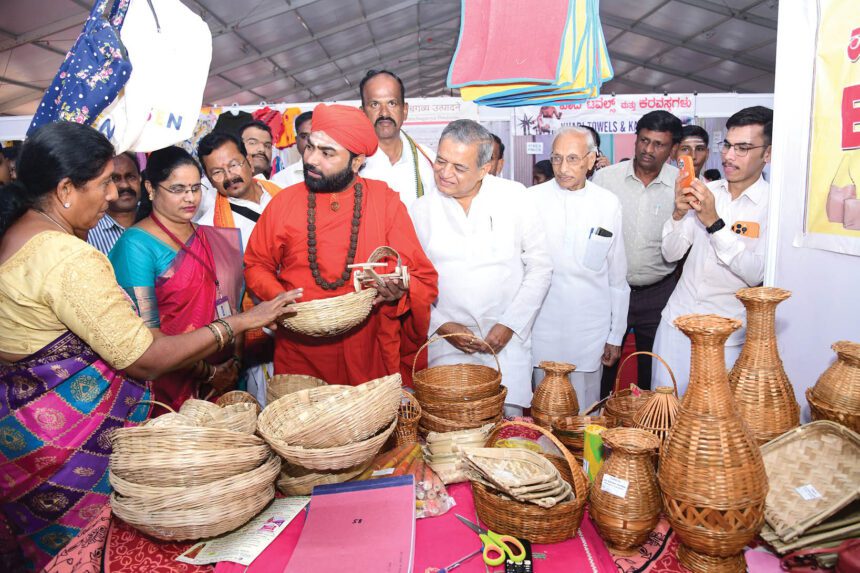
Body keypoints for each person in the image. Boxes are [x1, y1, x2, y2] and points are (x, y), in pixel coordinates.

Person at [0, 122, 297, 571]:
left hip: (27, 430)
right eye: (102, 184)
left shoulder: (20, 234)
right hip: (69, 448)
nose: (111, 196)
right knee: (95, 554)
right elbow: (146, 358)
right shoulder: (66, 257)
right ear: (65, 189)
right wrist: (242, 322)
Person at [244, 103, 438, 386]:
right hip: (300, 353)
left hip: (368, 353)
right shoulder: (284, 202)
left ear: (357, 162)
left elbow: (422, 278)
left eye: (327, 153)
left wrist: (400, 291)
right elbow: (256, 264)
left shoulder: (384, 202)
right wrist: (286, 303)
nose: (311, 159)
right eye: (310, 147)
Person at [410, 120, 552, 415]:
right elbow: (412, 281)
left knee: (506, 433)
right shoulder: (420, 210)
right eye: (440, 161)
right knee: (450, 432)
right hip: (447, 345)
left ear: (485, 169)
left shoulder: (515, 197)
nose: (445, 173)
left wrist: (509, 325)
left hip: (506, 342)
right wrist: (443, 326)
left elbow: (540, 267)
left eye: (459, 168)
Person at [109, 147, 245, 411]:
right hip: (169, 388)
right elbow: (146, 338)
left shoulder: (213, 237)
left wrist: (235, 364)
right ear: (150, 188)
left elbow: (234, 306)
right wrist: (209, 373)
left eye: (196, 188)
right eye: (178, 189)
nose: (190, 197)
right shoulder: (136, 246)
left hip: (227, 381)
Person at [653, 106, 773, 395]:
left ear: (767, 154)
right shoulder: (709, 191)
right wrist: (679, 215)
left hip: (726, 338)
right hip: (676, 326)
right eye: (728, 145)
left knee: (711, 427)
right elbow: (670, 254)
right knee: (660, 416)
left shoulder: (772, 206)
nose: (730, 156)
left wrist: (714, 223)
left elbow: (756, 275)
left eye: (743, 148)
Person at [530, 128, 629, 409]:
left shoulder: (607, 203)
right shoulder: (531, 200)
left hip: (590, 329)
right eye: (556, 158)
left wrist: (615, 334)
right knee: (546, 408)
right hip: (543, 326)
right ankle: (546, 455)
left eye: (573, 159)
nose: (563, 168)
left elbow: (618, 277)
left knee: (587, 414)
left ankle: (590, 456)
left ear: (591, 159)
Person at [592, 110, 682, 395]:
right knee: (605, 366)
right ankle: (599, 422)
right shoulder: (606, 179)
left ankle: (644, 432)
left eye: (658, 144)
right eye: (644, 140)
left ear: (672, 149)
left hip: (657, 293)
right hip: (609, 291)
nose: (648, 149)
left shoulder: (681, 185)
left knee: (651, 370)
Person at [359, 69, 437, 207]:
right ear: (362, 113)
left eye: (392, 103)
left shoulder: (429, 161)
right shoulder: (348, 164)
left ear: (405, 111)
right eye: (375, 104)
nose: (384, 113)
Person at [86, 152, 142, 254]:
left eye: (131, 177)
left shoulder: (155, 219)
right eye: (115, 179)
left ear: (140, 179)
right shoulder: (89, 230)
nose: (125, 185)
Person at [270, 110, 312, 189]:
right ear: (296, 140)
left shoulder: (335, 173)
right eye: (304, 136)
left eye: (315, 135)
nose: (310, 142)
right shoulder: (280, 179)